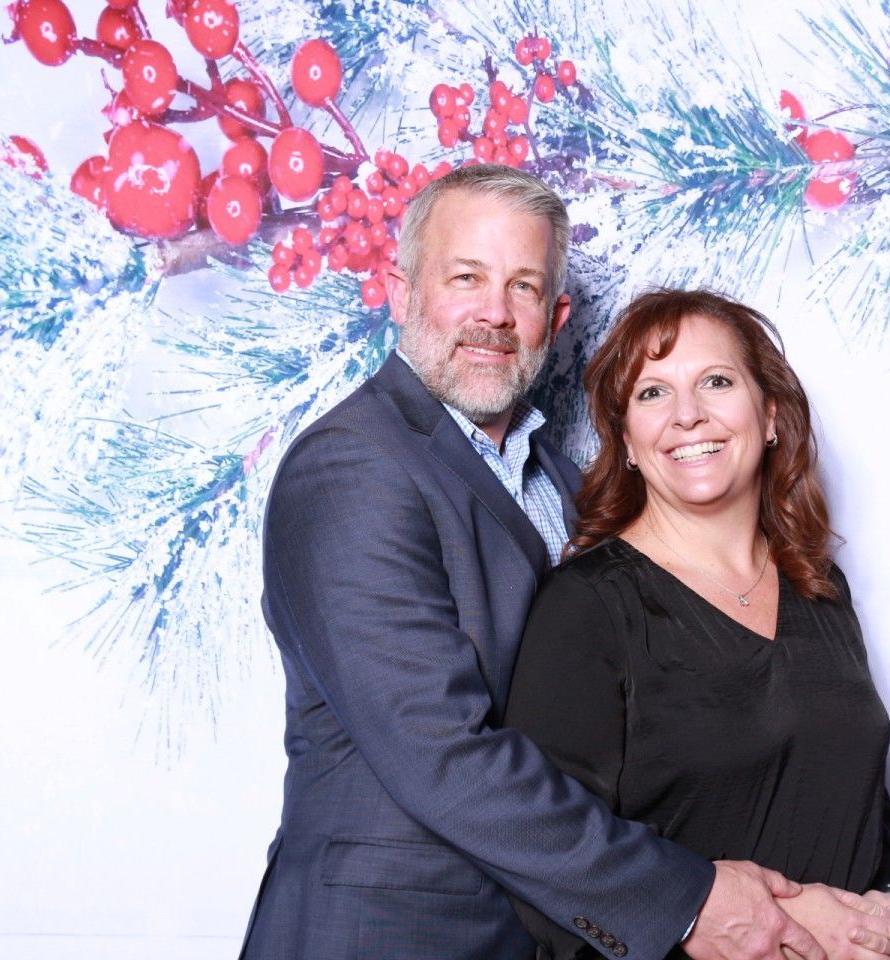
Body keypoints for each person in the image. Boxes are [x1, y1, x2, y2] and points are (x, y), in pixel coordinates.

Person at [238, 167, 851, 960]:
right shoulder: (353, 467)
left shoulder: (565, 483)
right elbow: (442, 752)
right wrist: (688, 899)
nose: (495, 313)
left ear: (556, 317)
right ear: (399, 291)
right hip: (387, 935)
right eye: (466, 278)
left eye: (524, 288)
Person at [503, 288, 890, 960]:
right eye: (652, 394)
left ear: (771, 413)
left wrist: (887, 905)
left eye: (716, 382)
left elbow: (859, 796)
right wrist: (756, 921)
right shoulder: (586, 609)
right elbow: (545, 864)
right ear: (628, 442)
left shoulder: (819, 589)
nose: (687, 416)